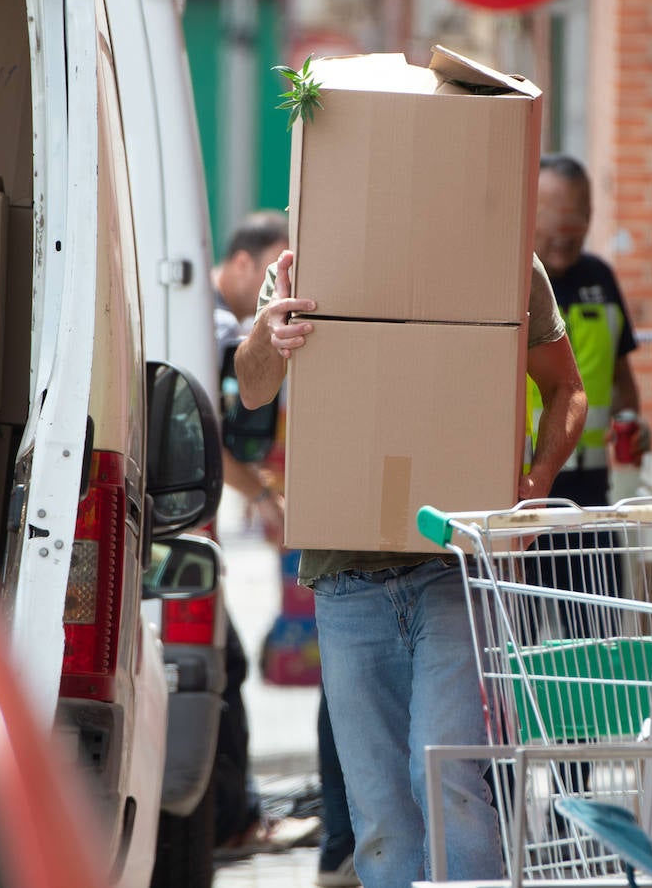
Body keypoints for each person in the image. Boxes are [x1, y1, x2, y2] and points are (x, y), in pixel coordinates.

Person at [234, 248, 586, 886]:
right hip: (345, 576)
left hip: (454, 566)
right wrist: (269, 334)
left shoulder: (500, 249)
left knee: (447, 775)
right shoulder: (311, 249)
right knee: (380, 814)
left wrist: (537, 483)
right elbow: (253, 388)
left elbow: (567, 386)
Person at [212, 211, 358, 887]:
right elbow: (237, 405)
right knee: (230, 667)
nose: (279, 289)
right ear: (245, 265)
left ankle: (255, 821)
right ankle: (248, 821)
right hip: (207, 530)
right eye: (271, 274)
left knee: (235, 666)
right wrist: (265, 495)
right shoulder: (217, 324)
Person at [531, 153, 651, 638]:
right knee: (512, 647)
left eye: (577, 220)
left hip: (589, 503)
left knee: (598, 646)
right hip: (518, 497)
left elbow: (623, 377)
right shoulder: (509, 280)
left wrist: (631, 420)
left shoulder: (600, 279)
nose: (565, 232)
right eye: (553, 219)